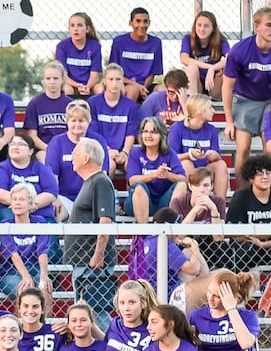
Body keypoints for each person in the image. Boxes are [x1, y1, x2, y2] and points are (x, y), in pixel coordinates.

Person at [223, 6, 271, 168]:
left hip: (270, 100)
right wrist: (228, 121)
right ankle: (242, 193)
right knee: (244, 148)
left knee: (269, 148)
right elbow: (227, 86)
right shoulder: (240, 50)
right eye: (268, 25)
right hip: (244, 99)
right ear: (257, 26)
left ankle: (268, 190)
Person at [63, 139, 120, 323]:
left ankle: (104, 346)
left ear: (86, 158)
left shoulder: (100, 182)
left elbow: (105, 221)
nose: (72, 158)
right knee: (85, 312)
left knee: (96, 312)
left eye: (75, 154)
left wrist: (99, 255)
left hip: (92, 262)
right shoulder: (91, 182)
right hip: (84, 260)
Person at [223, 153, 271, 273]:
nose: (265, 177)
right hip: (250, 247)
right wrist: (265, 234)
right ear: (251, 178)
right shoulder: (241, 197)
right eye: (259, 173)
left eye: (268, 172)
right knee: (242, 248)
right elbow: (235, 234)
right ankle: (241, 286)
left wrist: (265, 242)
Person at [128, 117, 185, 223]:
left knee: (181, 185)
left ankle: (172, 228)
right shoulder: (136, 153)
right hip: (139, 201)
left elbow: (183, 179)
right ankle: (143, 234)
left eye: (153, 132)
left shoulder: (169, 153)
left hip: (163, 202)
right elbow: (132, 180)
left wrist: (168, 175)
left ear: (161, 135)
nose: (148, 136)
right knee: (139, 186)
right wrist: (155, 175)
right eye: (145, 131)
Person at [170, 95, 227, 195]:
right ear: (199, 111)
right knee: (186, 163)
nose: (213, 111)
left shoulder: (211, 130)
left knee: (221, 165)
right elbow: (172, 157)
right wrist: (190, 155)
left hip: (204, 168)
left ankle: (220, 205)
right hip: (184, 169)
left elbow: (218, 156)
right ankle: (193, 200)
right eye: (210, 108)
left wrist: (214, 155)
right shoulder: (178, 128)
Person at [88, 65, 137, 175]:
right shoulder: (93, 103)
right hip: (101, 150)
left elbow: (131, 134)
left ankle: (134, 192)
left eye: (118, 79)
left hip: (122, 152)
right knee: (110, 165)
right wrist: (107, 149)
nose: (114, 83)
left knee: (133, 166)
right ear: (104, 81)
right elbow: (93, 132)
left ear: (122, 81)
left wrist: (125, 152)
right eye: (111, 79)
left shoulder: (130, 106)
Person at [108, 7, 162, 100]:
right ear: (131, 23)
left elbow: (153, 73)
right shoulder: (119, 42)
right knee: (133, 90)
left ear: (149, 23)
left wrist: (143, 87)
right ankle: (128, 114)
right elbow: (114, 72)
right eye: (138, 21)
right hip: (125, 85)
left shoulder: (156, 43)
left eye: (145, 21)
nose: (142, 25)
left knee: (163, 89)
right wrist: (136, 86)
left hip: (146, 85)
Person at [180, 9, 229, 97]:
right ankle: (193, 103)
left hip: (213, 84)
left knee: (227, 68)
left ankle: (230, 99)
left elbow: (230, 58)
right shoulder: (188, 38)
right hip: (197, 84)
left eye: (206, 26)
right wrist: (211, 67)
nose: (202, 29)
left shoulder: (221, 40)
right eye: (199, 25)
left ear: (213, 28)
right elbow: (184, 59)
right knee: (191, 68)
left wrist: (214, 69)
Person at [55, 12, 104, 97]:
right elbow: (63, 76)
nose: (76, 29)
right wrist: (78, 86)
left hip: (89, 85)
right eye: (72, 25)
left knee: (100, 89)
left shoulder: (95, 46)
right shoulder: (62, 46)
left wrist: (87, 86)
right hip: (71, 85)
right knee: (67, 89)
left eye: (80, 25)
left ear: (87, 29)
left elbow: (95, 76)